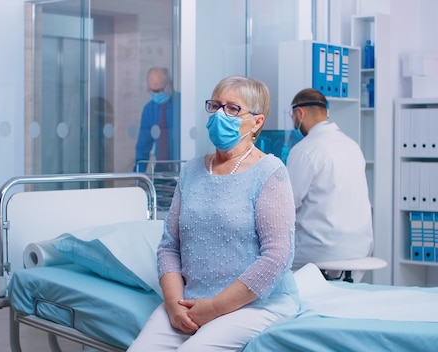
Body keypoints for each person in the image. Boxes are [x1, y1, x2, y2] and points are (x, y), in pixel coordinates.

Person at [127, 76, 300, 351]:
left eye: (233, 109)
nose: (221, 114)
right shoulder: (192, 171)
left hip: (255, 304)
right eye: (216, 106)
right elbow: (169, 247)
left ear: (256, 122)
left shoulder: (270, 173)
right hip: (190, 300)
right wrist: (173, 305)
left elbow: (277, 257)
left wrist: (215, 307)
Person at [286, 88, 373, 282]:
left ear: (300, 113)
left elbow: (287, 205)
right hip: (360, 247)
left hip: (320, 252)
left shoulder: (304, 150)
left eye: (292, 116)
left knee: (269, 259)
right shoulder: (352, 146)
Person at [134, 67, 181, 172]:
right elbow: (143, 147)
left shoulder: (182, 105)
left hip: (183, 165)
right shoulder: (149, 110)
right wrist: (137, 177)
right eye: (153, 91)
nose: (157, 94)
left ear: (169, 84)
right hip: (161, 169)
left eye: (160, 90)